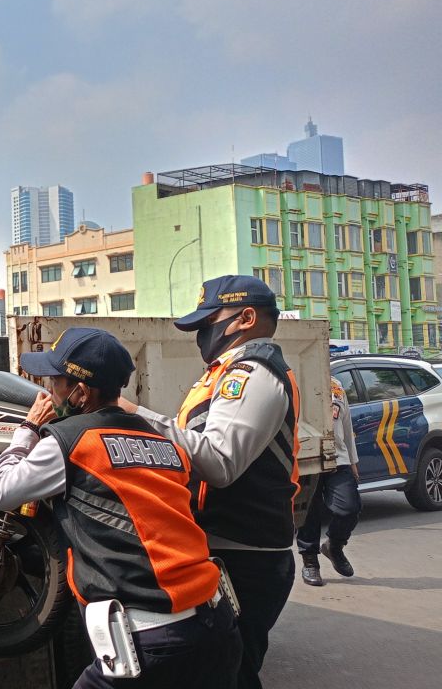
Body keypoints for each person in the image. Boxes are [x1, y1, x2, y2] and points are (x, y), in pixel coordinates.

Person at [0, 327, 241, 689]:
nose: (49, 389)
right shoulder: (162, 440)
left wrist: (28, 428)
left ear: (81, 392)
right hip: (215, 625)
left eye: (56, 381)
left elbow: (2, 492)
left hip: (151, 644)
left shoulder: (70, 441)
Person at [119, 275, 300, 689]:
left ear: (246, 317)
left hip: (246, 555)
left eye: (209, 321)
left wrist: (136, 416)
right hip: (223, 547)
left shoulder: (254, 374)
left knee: (231, 673)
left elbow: (219, 462)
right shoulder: (222, 373)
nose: (203, 333)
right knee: (217, 669)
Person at [297, 376, 360, 585]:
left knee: (349, 508)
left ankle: (334, 546)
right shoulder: (295, 378)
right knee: (309, 512)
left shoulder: (336, 385)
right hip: (306, 456)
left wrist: (353, 460)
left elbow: (346, 423)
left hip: (337, 458)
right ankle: (310, 562)